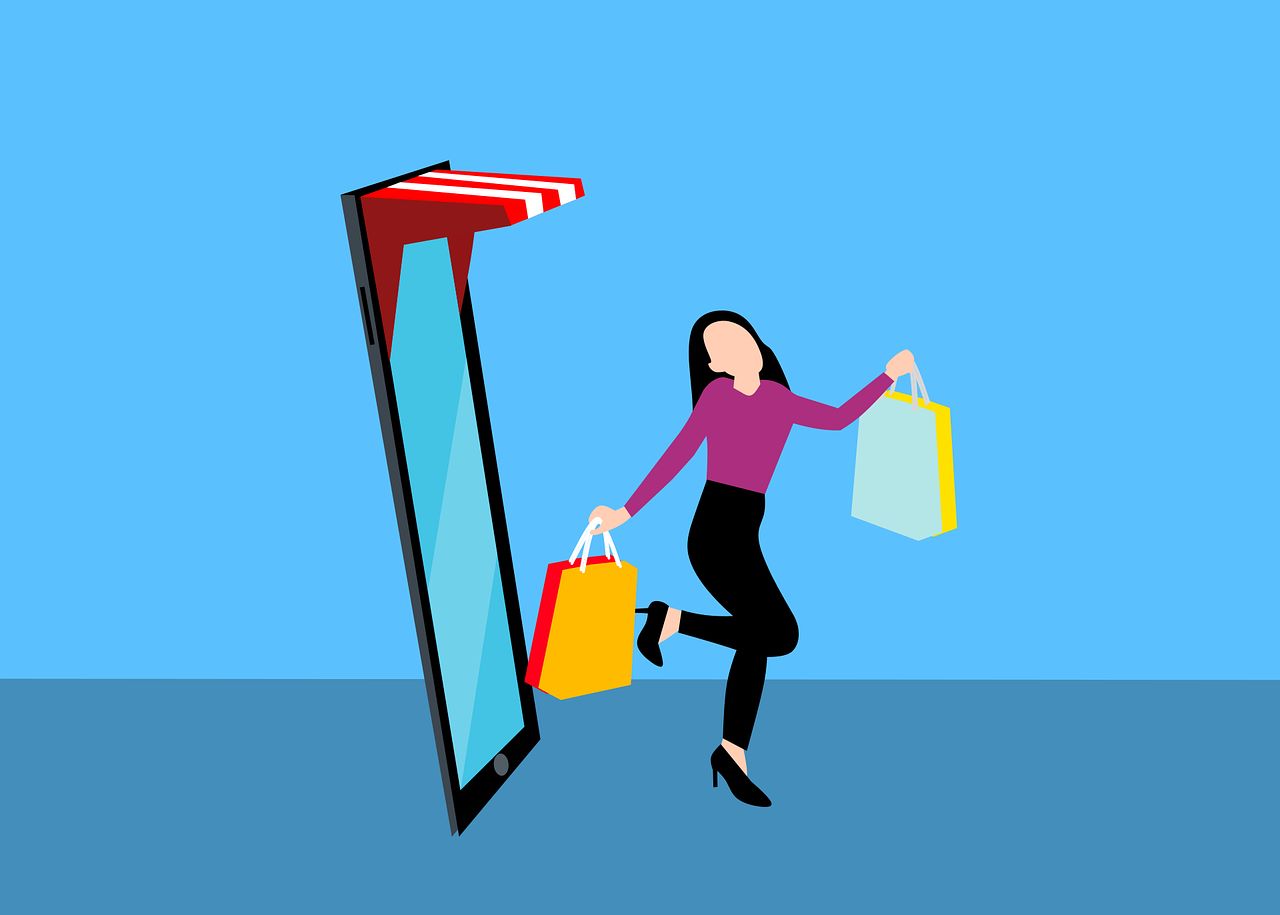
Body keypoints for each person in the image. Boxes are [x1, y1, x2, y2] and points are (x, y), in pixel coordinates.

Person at [587, 310, 915, 808]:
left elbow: (838, 419)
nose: (740, 347)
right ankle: (673, 626)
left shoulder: (780, 401)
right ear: (715, 363)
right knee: (780, 633)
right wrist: (624, 513)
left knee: (761, 636)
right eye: (725, 346)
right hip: (713, 535)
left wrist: (887, 375)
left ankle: (730, 748)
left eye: (743, 336)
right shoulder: (715, 400)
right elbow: (675, 456)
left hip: (745, 533)